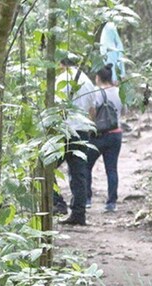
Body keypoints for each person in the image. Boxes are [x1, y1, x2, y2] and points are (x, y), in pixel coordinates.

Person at [56, 57, 96, 226]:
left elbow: (57, 107)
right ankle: (79, 212)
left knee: (45, 168)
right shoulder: (88, 82)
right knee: (78, 172)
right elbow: (92, 110)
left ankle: (57, 203)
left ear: (62, 64)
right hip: (81, 131)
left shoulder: (61, 80)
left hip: (63, 131)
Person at [86, 64, 123, 213]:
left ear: (98, 78)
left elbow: (92, 111)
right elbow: (123, 110)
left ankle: (87, 199)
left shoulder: (96, 92)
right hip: (115, 133)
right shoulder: (120, 92)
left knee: (87, 166)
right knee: (112, 169)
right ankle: (111, 202)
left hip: (98, 134)